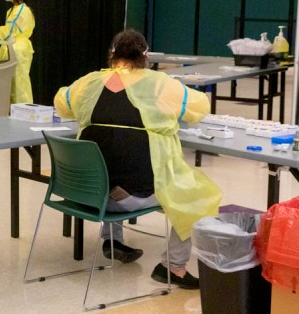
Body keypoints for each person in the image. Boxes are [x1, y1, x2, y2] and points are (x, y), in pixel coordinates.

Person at [53, 30, 221, 289]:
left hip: (87, 193)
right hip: (131, 197)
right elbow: (199, 108)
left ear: (112, 55)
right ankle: (173, 267)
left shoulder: (88, 83)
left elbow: (61, 103)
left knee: (110, 154)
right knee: (198, 196)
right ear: (146, 57)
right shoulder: (160, 84)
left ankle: (113, 241)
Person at [0, 0, 35, 104]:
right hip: (11, 49)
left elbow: (8, 31)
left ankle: (24, 110)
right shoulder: (11, 11)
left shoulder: (23, 11)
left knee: (19, 85)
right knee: (10, 85)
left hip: (18, 51)